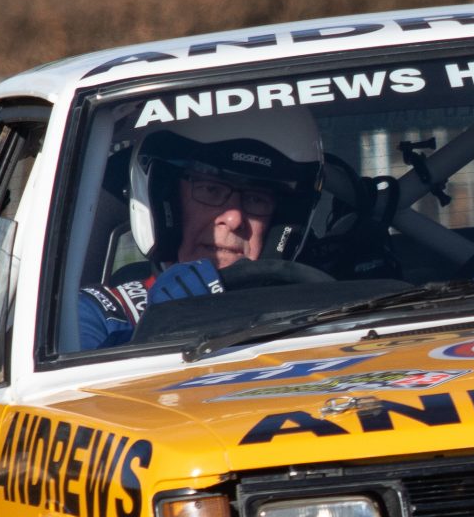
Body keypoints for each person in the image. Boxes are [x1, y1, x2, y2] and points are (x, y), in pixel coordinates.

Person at [77, 125, 321, 349]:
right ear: (166, 204)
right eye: (211, 190)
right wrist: (160, 327)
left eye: (256, 199)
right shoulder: (104, 314)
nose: (234, 219)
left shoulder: (321, 312)